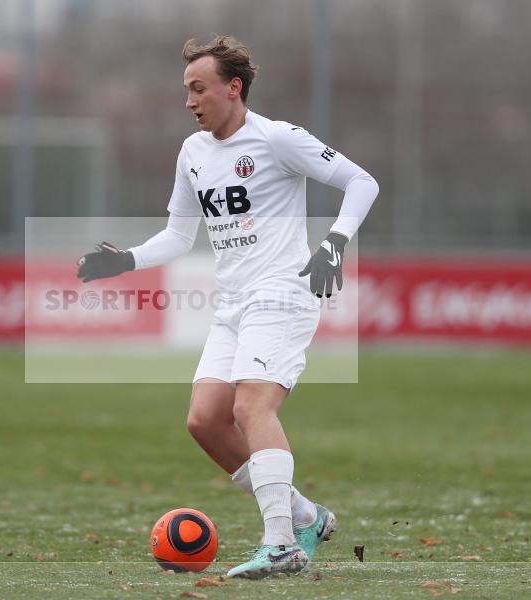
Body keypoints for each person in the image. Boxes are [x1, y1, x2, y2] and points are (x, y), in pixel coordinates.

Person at [76, 34, 378, 578]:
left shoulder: (278, 138)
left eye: (199, 89)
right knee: (205, 421)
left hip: (283, 292)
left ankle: (282, 542)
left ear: (233, 88)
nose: (190, 101)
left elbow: (361, 181)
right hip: (233, 303)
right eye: (186, 91)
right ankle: (306, 515)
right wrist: (126, 261)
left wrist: (334, 241)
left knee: (250, 408)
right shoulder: (193, 153)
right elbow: (177, 235)